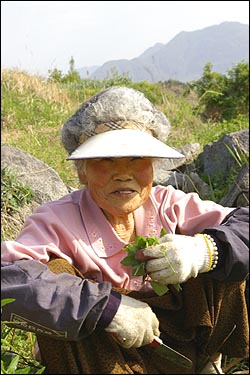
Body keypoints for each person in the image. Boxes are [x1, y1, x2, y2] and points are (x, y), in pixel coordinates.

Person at [1, 86, 249, 375]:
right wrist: (104, 308)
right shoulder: (56, 220)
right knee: (55, 273)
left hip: (180, 346)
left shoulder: (170, 204)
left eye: (136, 158)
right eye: (105, 159)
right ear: (82, 171)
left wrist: (205, 251)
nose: (123, 172)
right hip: (104, 357)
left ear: (154, 167)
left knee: (223, 245)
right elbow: (8, 279)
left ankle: (210, 363)